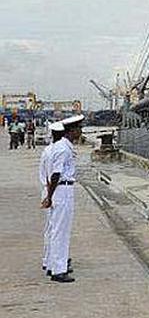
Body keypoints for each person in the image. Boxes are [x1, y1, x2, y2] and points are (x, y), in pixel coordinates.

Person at [42, 115, 83, 283]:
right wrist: (49, 197)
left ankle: (52, 265)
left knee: (55, 230)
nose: (80, 132)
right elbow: (56, 174)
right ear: (71, 131)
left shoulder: (57, 147)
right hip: (62, 190)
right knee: (61, 231)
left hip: (58, 190)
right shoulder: (64, 149)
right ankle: (59, 270)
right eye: (78, 129)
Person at [40, 123, 66, 275]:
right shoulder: (59, 150)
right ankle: (56, 267)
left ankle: (49, 261)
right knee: (57, 230)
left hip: (49, 189)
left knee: (51, 229)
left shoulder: (48, 150)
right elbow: (55, 175)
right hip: (55, 190)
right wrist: (49, 196)